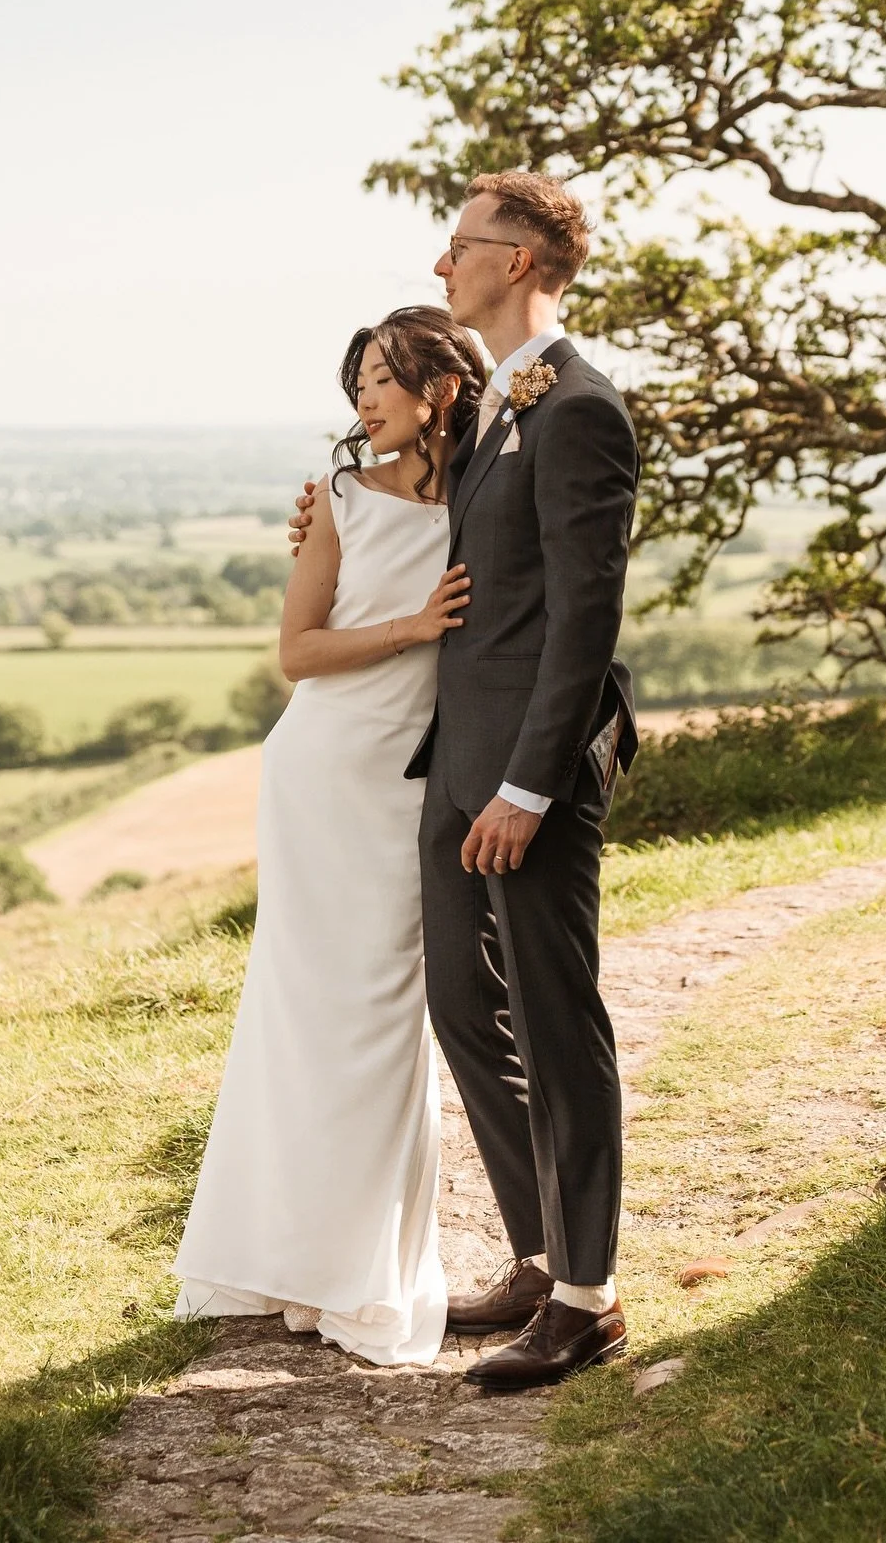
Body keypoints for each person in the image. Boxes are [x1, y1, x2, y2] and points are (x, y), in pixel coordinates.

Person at [292, 171, 640, 1390]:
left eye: (461, 248)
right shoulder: (497, 407)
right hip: (455, 768)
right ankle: (541, 1257)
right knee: (461, 1009)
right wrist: (336, 508)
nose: (443, 269)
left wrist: (534, 788)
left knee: (558, 1021)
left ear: (526, 258)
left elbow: (583, 619)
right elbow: (438, 520)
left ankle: (589, 1299)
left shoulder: (580, 408)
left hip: (523, 784)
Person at [172, 305, 486, 1366]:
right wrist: (412, 626)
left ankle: (355, 1272)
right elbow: (296, 654)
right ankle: (284, 1264)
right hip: (320, 774)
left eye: (385, 382)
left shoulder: (491, 483)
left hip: (408, 789)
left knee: (383, 1018)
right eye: (357, 385)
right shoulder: (341, 498)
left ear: (440, 389)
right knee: (302, 1011)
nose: (365, 401)